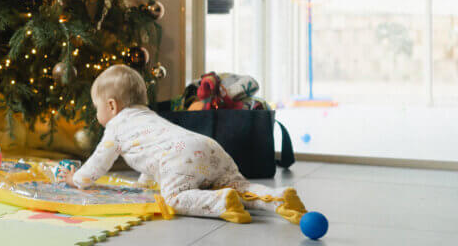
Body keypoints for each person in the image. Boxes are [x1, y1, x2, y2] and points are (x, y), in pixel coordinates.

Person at [68, 65, 307, 224]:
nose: (96, 112)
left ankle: (221, 201)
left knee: (172, 198)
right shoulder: (149, 117)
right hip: (209, 147)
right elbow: (152, 160)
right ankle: (279, 199)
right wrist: (145, 186)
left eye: (96, 107)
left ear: (111, 106)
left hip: (182, 157)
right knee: (238, 184)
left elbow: (100, 160)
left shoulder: (116, 126)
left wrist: (78, 180)